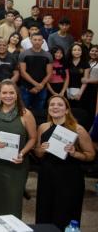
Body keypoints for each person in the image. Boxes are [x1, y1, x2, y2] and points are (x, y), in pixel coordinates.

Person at [34, 95, 95, 230]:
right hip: (47, 175)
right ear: (48, 109)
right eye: (52, 104)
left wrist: (75, 153)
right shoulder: (43, 127)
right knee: (45, 211)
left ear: (67, 110)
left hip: (69, 177)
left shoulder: (78, 129)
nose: (55, 107)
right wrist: (42, 150)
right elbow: (37, 153)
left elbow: (91, 155)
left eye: (60, 105)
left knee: (65, 213)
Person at [0, 80, 37, 218]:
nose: (8, 95)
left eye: (11, 92)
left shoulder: (25, 114)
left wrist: (22, 153)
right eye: (4, 92)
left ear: (17, 95)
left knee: (14, 199)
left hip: (17, 163)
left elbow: (33, 138)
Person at [19, 32, 53, 111]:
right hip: (26, 88)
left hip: (42, 88)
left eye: (39, 40)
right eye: (35, 40)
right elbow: (23, 72)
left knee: (39, 112)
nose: (37, 41)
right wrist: (36, 85)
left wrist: (41, 85)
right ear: (31, 41)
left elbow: (49, 73)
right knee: (24, 111)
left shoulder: (48, 55)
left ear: (43, 41)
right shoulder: (23, 54)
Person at [65, 43, 90, 109]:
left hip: (81, 91)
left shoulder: (85, 63)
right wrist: (67, 91)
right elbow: (65, 78)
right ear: (71, 51)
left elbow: (85, 80)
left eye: (79, 50)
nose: (77, 52)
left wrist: (79, 93)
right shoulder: (67, 62)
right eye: (74, 50)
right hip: (68, 91)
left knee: (79, 111)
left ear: (82, 52)